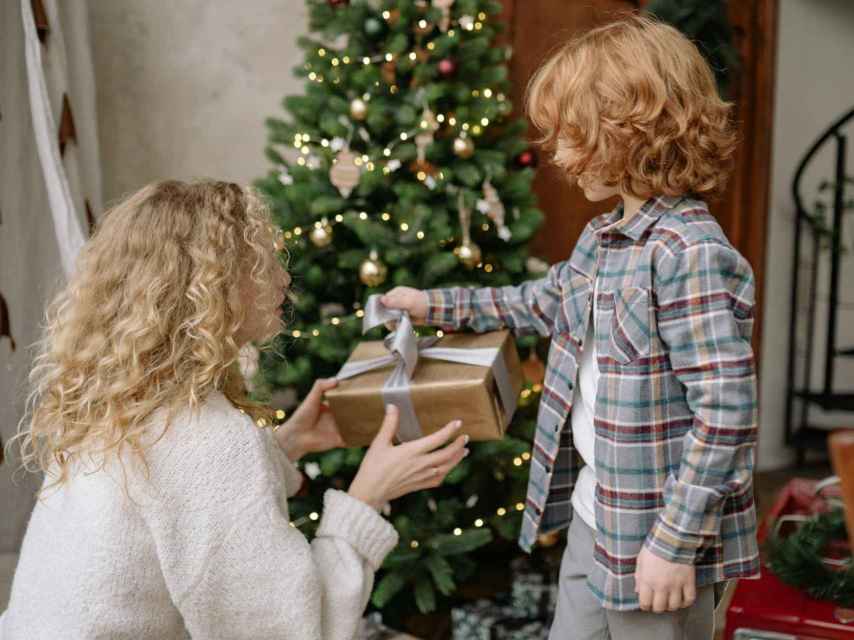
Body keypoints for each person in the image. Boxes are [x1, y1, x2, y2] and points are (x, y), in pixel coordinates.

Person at [381, 14, 760, 640]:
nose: (555, 154)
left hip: (656, 540)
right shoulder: (602, 240)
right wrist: (431, 304)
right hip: (594, 516)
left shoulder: (688, 253)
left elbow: (725, 411)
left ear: (631, 131)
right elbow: (538, 302)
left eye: (571, 134)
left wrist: (673, 542)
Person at [0, 180, 469, 640]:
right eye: (260, 261)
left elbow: (176, 497)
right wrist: (367, 495)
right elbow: (288, 631)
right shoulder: (207, 435)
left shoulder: (124, 400)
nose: (284, 278)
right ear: (209, 285)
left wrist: (291, 443)